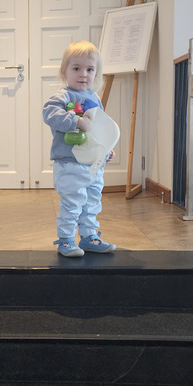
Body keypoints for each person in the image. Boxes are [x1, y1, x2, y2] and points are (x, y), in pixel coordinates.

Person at [43, 40, 116, 257]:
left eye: (90, 69)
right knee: (73, 202)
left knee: (92, 202)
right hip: (69, 163)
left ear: (96, 73)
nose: (83, 74)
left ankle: (89, 236)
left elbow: (99, 129)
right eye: (76, 68)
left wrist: (106, 149)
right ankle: (66, 240)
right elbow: (50, 114)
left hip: (93, 165)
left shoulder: (94, 98)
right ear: (64, 71)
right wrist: (76, 121)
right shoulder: (62, 96)